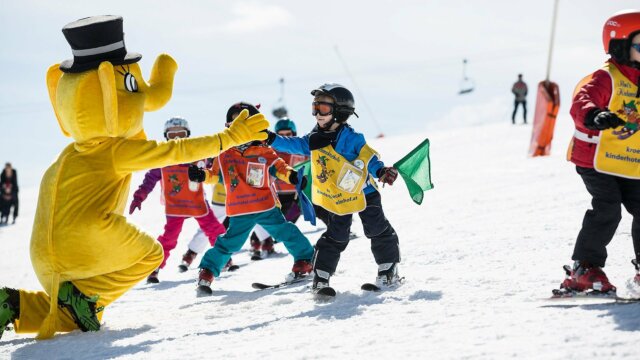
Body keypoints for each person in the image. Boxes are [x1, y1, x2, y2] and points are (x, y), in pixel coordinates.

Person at [265, 83, 401, 293]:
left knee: (376, 228)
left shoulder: (352, 138)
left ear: (339, 111)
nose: (317, 113)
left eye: (324, 108)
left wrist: (381, 171)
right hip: (338, 197)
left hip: (365, 193)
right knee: (337, 235)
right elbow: (292, 144)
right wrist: (270, 138)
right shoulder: (314, 139)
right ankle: (321, 276)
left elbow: (369, 158)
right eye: (315, 107)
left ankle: (388, 269)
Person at [190, 102, 315, 295]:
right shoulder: (225, 153)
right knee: (230, 242)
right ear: (228, 128)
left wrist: (292, 176)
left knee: (285, 231)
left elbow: (279, 167)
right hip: (240, 209)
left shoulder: (263, 150)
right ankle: (207, 271)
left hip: (265, 205)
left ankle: (305, 259)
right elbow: (216, 174)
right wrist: (202, 176)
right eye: (235, 126)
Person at [559, 10, 640, 294]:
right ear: (620, 45)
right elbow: (583, 99)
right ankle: (585, 268)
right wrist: (595, 114)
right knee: (608, 208)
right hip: (595, 159)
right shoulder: (607, 77)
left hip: (629, 161)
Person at [129, 117, 227, 283]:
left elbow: (214, 163)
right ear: (166, 137)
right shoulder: (162, 158)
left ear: (187, 135)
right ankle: (155, 267)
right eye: (172, 135)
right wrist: (140, 195)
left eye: (180, 135)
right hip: (175, 206)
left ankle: (224, 258)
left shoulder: (197, 154)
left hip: (196, 203)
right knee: (169, 238)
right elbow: (150, 178)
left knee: (214, 230)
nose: (176, 139)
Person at [249, 117, 307, 260]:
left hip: (293, 193)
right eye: (282, 135)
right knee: (269, 216)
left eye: (288, 134)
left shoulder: (298, 150)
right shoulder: (272, 151)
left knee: (289, 218)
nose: (285, 138)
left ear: (294, 134)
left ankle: (269, 240)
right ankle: (259, 242)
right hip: (276, 192)